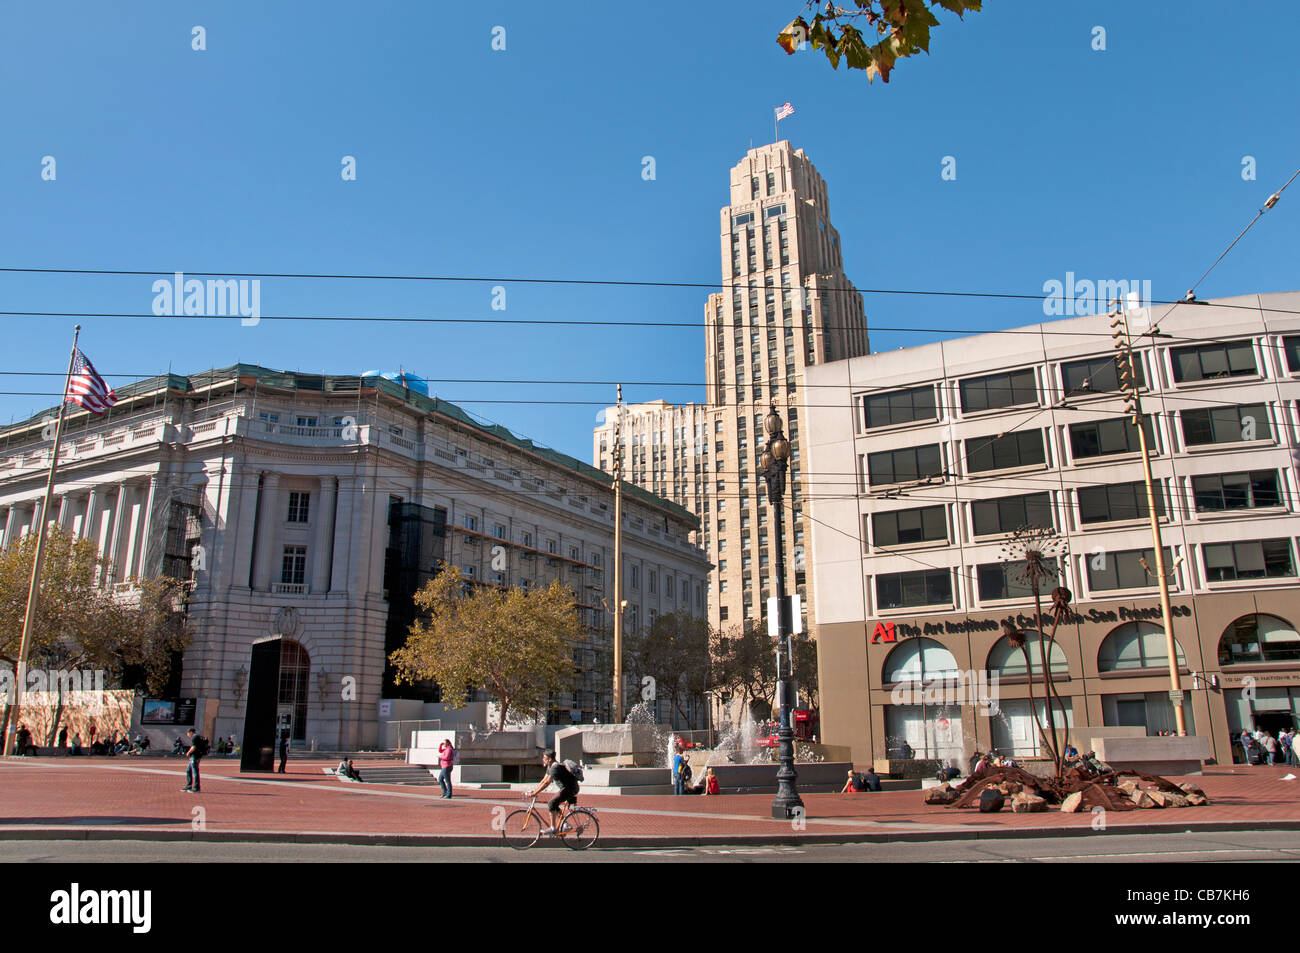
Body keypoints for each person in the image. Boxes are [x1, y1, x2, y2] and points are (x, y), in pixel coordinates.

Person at [527, 750, 580, 836]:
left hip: (570, 789)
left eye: (544, 758)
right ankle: (565, 824)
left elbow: (546, 783)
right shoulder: (550, 767)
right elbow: (543, 780)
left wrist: (534, 793)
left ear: (550, 759)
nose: (543, 760)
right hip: (566, 788)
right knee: (555, 804)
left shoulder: (555, 768)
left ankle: (553, 828)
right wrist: (534, 791)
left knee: (551, 803)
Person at [181, 728, 204, 793]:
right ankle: (189, 786)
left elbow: (194, 747)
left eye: (188, 733)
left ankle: (196, 788)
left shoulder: (195, 737)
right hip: (196, 756)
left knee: (195, 771)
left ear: (191, 732)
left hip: (195, 756)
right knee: (188, 770)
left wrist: (188, 752)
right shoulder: (198, 737)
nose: (187, 735)